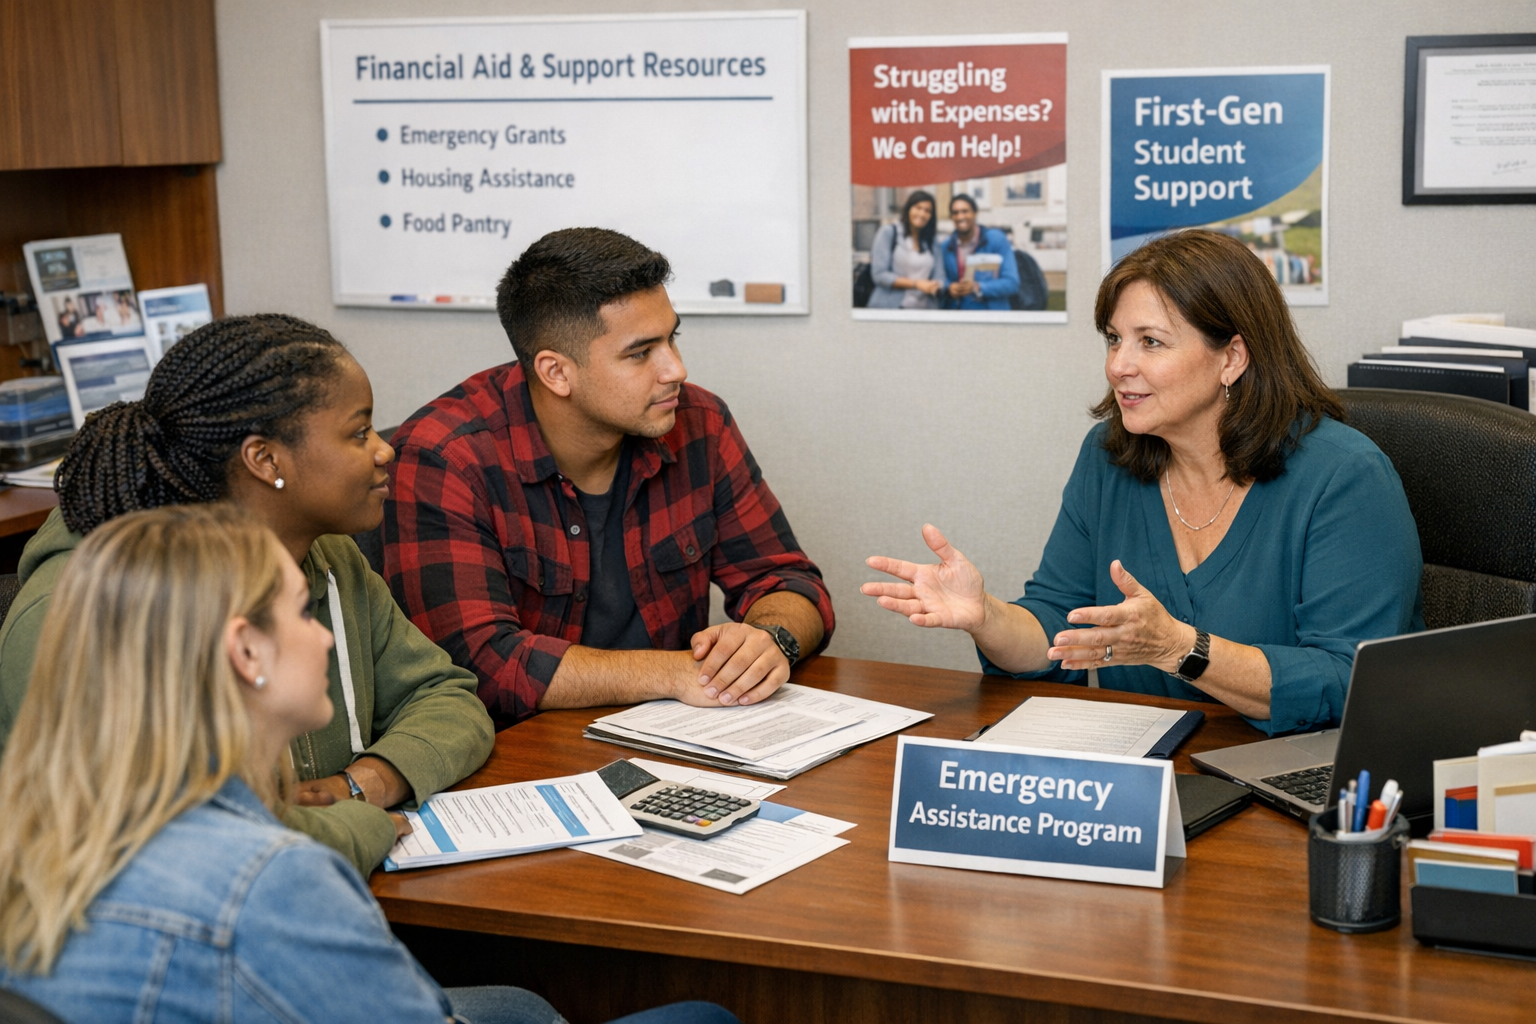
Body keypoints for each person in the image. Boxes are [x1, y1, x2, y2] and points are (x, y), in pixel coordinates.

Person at [0, 504, 742, 1024]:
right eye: (301, 613)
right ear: (245, 650)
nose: (325, 639)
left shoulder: (43, 827)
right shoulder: (271, 880)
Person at [863, 229, 1423, 735]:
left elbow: (1349, 679)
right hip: (1149, 783)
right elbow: (1061, 628)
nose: (1118, 365)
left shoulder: (1345, 477)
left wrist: (1181, 648)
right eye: (1114, 339)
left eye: (1150, 342)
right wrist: (988, 617)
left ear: (1231, 358)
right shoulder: (1109, 457)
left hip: (1298, 789)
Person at [0, 314, 495, 876]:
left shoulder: (326, 553)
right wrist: (359, 826)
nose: (385, 451)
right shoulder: (94, 608)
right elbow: (170, 849)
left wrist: (359, 785)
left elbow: (446, 696)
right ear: (265, 460)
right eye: (359, 433)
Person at [385, 228, 834, 728]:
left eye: (672, 338)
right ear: (556, 373)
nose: (676, 369)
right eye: (641, 353)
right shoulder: (445, 457)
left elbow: (788, 580)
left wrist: (772, 638)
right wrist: (676, 673)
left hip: (677, 738)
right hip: (520, 758)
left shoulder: (699, 421)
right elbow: (480, 665)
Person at [939, 193, 1021, 311]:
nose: (960, 216)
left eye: (965, 211)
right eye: (955, 213)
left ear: (975, 213)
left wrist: (977, 287)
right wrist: (949, 287)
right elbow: (940, 278)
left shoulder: (996, 240)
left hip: (992, 317)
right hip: (958, 317)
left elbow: (1012, 283)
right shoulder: (946, 247)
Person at [867, 190, 944, 309]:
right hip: (890, 309)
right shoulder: (888, 232)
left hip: (923, 311)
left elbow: (940, 276)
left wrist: (937, 286)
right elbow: (879, 274)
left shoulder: (932, 240)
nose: (922, 214)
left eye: (927, 211)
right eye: (918, 208)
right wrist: (917, 284)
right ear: (908, 209)